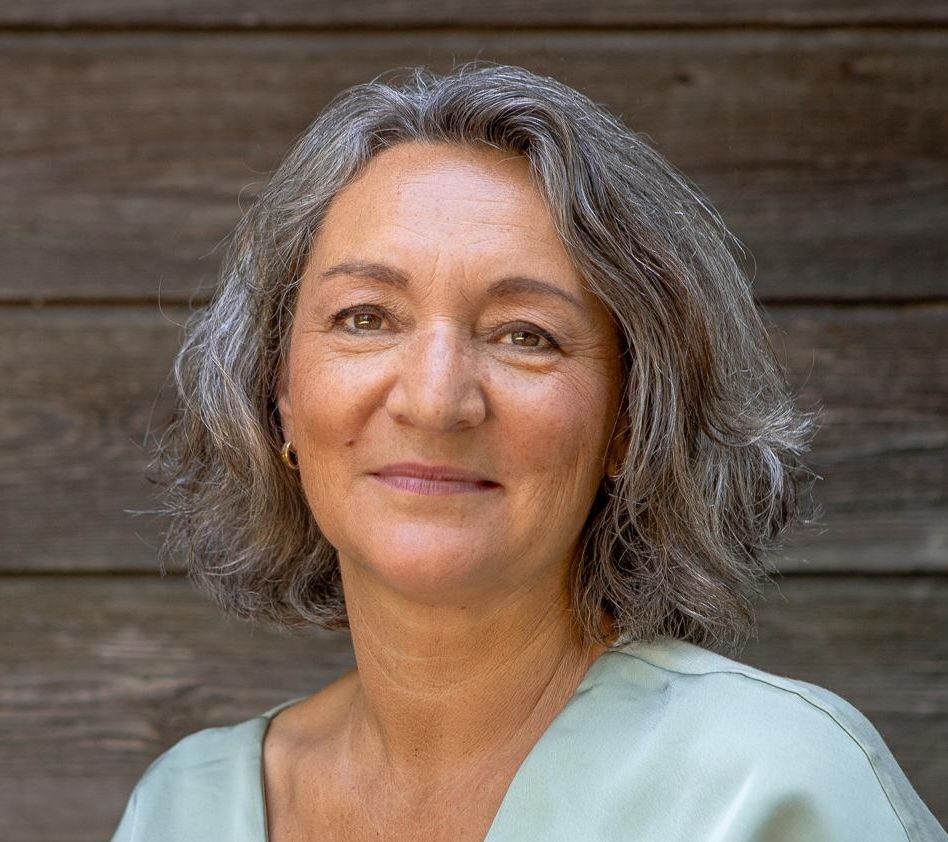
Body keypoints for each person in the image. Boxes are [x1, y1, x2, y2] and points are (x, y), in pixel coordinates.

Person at [110, 62, 946, 841]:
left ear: (631, 419)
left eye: (525, 335)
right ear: (280, 395)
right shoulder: (185, 810)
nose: (435, 400)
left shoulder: (771, 790)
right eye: (366, 318)